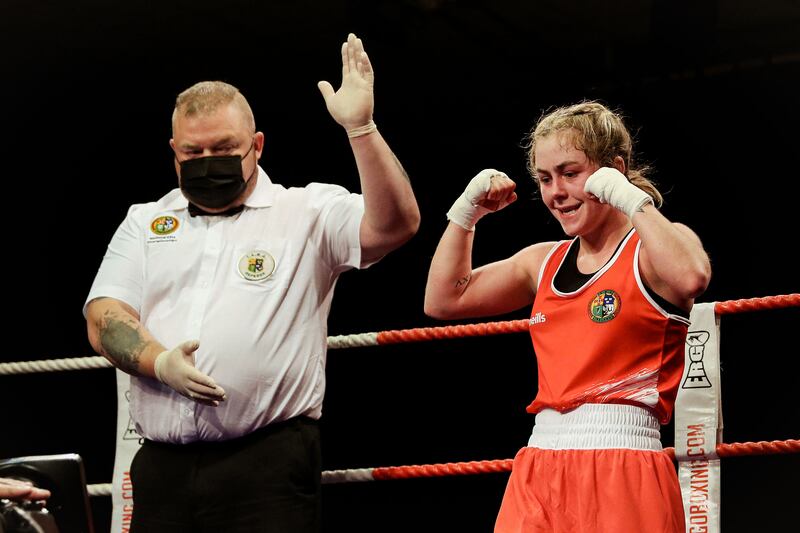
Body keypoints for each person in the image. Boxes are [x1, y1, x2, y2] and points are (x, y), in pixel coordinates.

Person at [84, 33, 419, 532]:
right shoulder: (145, 221)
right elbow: (103, 316)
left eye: (223, 148)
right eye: (193, 151)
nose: (207, 160)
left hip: (268, 463)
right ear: (174, 152)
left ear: (257, 146)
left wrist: (360, 128)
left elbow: (395, 226)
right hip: (161, 468)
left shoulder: (305, 211)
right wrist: (161, 362)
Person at [424, 101, 711, 532]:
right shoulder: (542, 262)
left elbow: (691, 277)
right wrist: (467, 213)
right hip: (540, 464)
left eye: (570, 173)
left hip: (624, 461)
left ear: (614, 169)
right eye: (545, 178)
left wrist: (630, 198)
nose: (556, 192)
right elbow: (444, 299)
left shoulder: (651, 252)